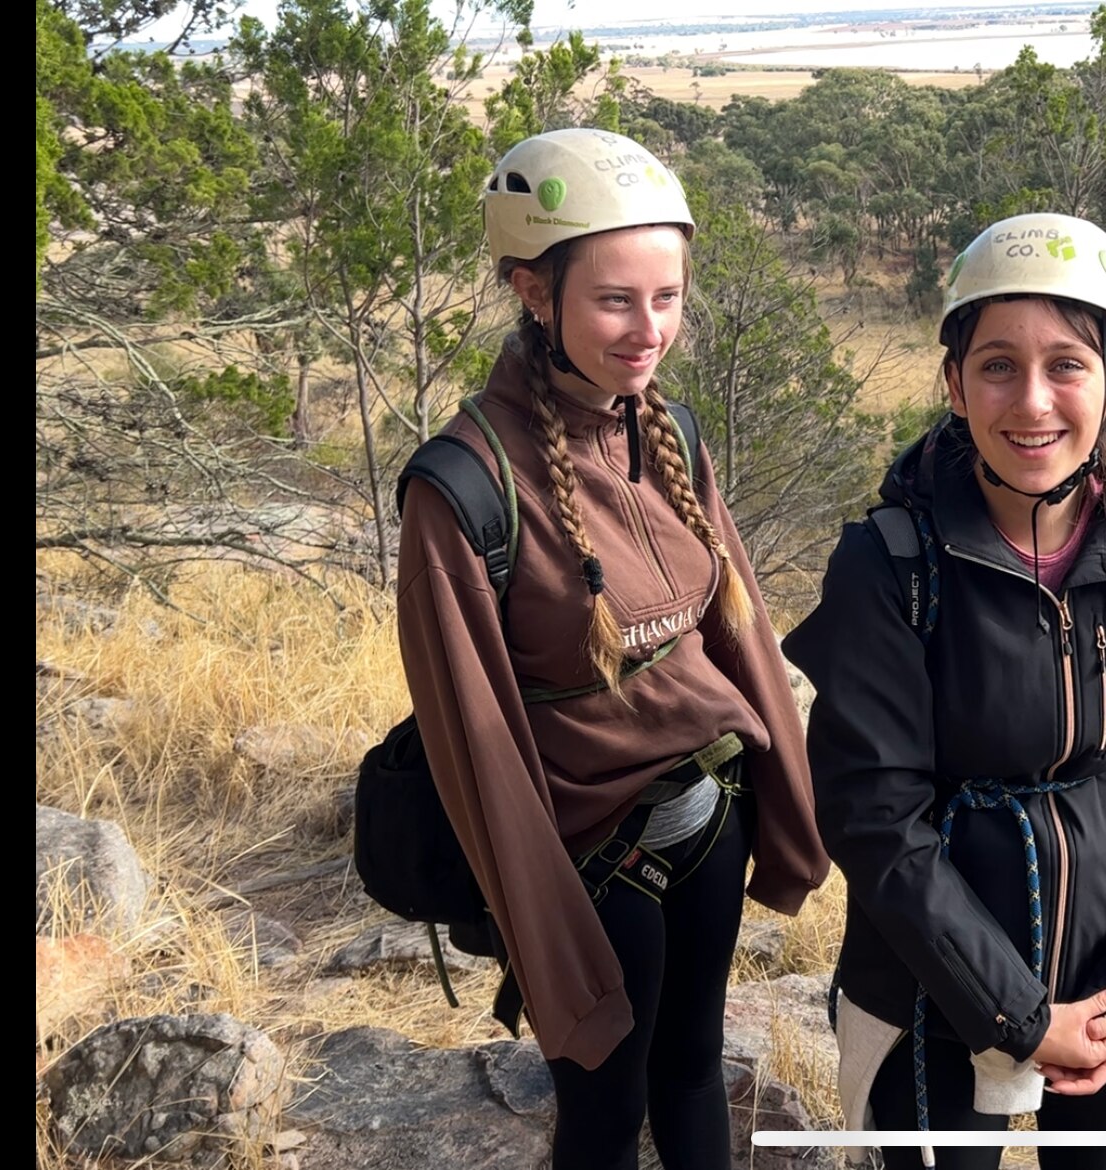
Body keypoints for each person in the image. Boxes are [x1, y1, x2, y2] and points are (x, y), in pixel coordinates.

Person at [394, 127, 830, 1170]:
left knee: (691, 1070)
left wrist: (791, 812)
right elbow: (478, 742)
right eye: (615, 301)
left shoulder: (662, 431)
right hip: (594, 855)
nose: (648, 332)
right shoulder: (462, 487)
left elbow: (740, 632)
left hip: (711, 811)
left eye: (667, 299)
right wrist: (541, 932)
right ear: (532, 291)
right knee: (601, 1106)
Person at [781, 211, 1106, 1170]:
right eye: (996, 365)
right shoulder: (890, 563)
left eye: (1066, 364)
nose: (1031, 402)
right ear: (954, 381)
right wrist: (1018, 1018)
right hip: (930, 986)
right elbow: (875, 817)